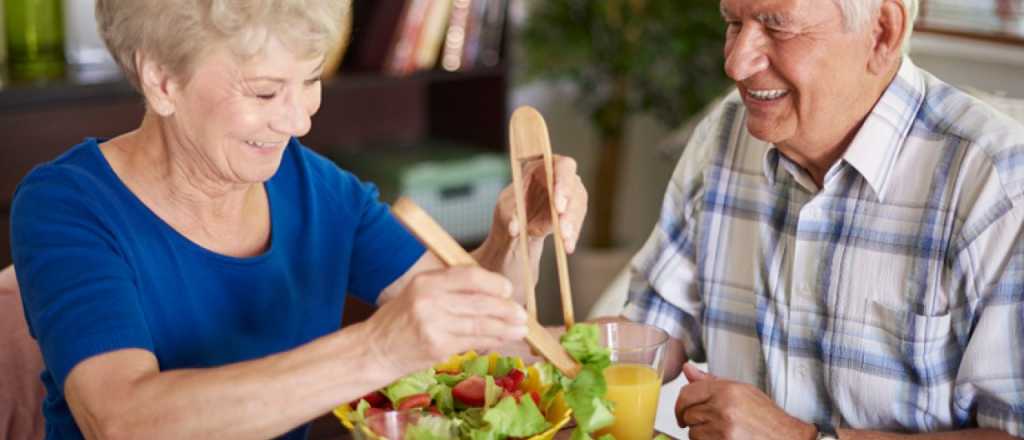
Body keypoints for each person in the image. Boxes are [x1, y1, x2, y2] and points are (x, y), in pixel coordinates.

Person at [9, 1, 588, 439]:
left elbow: (483, 336)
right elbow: (122, 420)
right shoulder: (68, 205)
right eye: (265, 92)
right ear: (162, 80)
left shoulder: (317, 189)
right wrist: (378, 350)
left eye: (310, 81)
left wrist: (517, 235)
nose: (299, 121)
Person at [618, 0, 1024, 438]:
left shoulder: (998, 183)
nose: (736, 63)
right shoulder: (724, 133)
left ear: (883, 32)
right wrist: (564, 341)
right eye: (733, 23)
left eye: (777, 27)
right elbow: (656, 326)